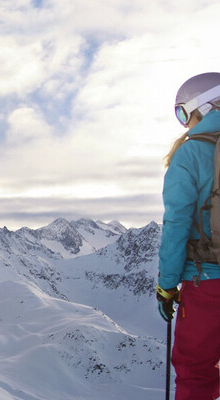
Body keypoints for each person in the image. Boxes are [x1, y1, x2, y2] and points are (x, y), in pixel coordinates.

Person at [159, 72, 220, 400]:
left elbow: (177, 225)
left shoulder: (190, 154)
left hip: (207, 281)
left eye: (184, 112)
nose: (184, 123)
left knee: (196, 371)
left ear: (205, 106)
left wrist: (167, 285)